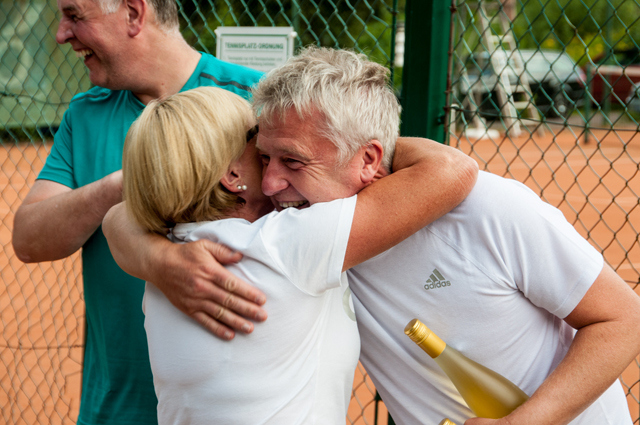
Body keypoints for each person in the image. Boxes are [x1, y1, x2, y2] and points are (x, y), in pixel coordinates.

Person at [104, 46, 640, 425]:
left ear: (368, 160)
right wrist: (158, 258)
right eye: (263, 158)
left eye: (293, 161)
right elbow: (125, 217)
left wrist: (528, 422)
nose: (270, 183)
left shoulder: (485, 209)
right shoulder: (288, 228)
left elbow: (623, 319)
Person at [119, 85, 475, 424]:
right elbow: (451, 168)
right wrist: (347, 141)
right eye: (258, 144)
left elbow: (118, 216)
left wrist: (152, 256)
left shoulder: (169, 249)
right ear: (231, 173)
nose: (269, 159)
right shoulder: (282, 244)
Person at [11, 1, 268, 423]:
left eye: (75, 16)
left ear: (133, 13)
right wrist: (126, 182)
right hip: (113, 410)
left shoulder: (257, 98)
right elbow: (28, 239)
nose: (61, 34)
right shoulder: (86, 111)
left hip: (229, 410)